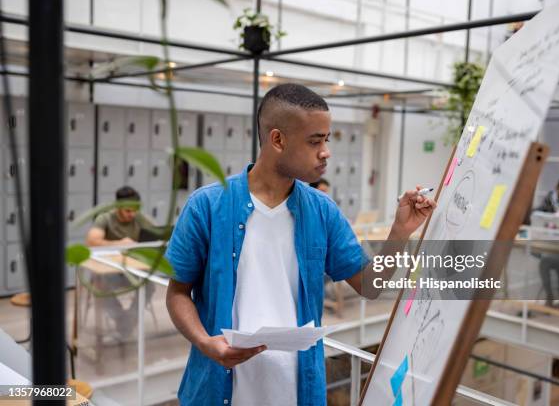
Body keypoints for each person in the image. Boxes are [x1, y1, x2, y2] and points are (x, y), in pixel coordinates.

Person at [165, 83, 436, 405]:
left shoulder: (322, 211)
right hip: (217, 390)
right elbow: (178, 293)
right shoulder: (207, 206)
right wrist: (206, 343)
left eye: (326, 139)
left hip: (297, 392)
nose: (326, 151)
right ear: (277, 139)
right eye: (314, 141)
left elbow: (369, 285)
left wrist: (399, 234)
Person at [86, 186, 156, 335]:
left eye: (135, 210)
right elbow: (92, 240)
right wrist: (119, 243)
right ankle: (122, 319)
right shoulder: (105, 218)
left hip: (132, 270)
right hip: (109, 271)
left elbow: (157, 234)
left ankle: (130, 318)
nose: (132, 214)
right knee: (101, 286)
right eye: (128, 211)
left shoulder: (139, 218)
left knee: (149, 285)